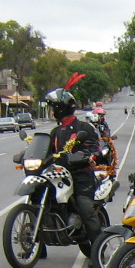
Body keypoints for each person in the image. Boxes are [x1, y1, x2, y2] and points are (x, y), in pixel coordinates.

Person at [45, 86, 103, 250]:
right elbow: (46, 152)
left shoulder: (84, 128)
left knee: (85, 207)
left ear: (61, 108)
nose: (52, 112)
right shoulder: (55, 132)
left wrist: (86, 156)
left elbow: (95, 149)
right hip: (59, 176)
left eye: (53, 108)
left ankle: (98, 249)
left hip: (80, 175)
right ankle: (38, 248)